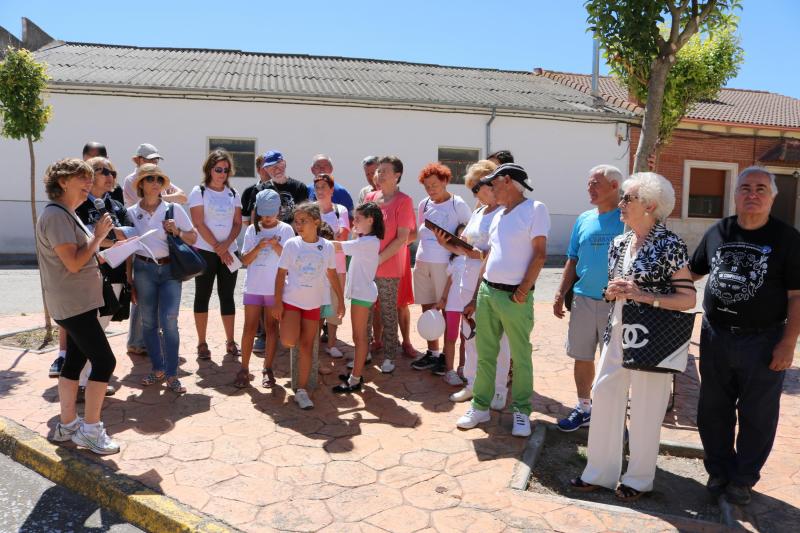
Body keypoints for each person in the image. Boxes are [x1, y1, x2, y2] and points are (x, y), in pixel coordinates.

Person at [570, 172, 696, 502]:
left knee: (645, 408)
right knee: (605, 395)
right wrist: (611, 292)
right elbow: (615, 290)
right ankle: (598, 472)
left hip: (653, 338)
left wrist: (644, 295)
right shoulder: (619, 243)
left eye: (629, 198)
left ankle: (638, 480)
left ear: (651, 206)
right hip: (617, 332)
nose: (622, 204)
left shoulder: (671, 245)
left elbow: (688, 298)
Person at [690, 166, 800, 505]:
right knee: (713, 408)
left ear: (772, 197)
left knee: (758, 414)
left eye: (761, 189)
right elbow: (691, 272)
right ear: (735, 193)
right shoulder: (718, 231)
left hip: (764, 340)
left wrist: (788, 343)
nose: (752, 194)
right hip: (716, 335)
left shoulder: (788, 239)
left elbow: (797, 296)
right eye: (746, 187)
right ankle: (719, 470)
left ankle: (743, 478)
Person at [458, 163, 550, 437]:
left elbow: (540, 254)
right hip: (488, 292)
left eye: (493, 183)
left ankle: (521, 412)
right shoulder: (498, 215)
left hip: (515, 297)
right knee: (486, 355)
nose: (489, 189)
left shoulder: (535, 209)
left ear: (508, 181)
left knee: (520, 358)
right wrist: (477, 295)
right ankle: (480, 407)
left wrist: (522, 291)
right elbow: (490, 256)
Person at [38, 158, 119, 455]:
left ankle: (68, 423)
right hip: (74, 304)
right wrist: (97, 237)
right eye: (82, 179)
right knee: (104, 362)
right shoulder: (57, 216)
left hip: (76, 301)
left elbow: (78, 256)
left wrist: (98, 247)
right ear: (62, 182)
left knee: (73, 362)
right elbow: (72, 262)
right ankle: (91, 431)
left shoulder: (66, 213)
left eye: (89, 179)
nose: (89, 184)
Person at [553, 165, 625, 432]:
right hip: (583, 300)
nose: (589, 188)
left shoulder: (628, 217)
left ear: (615, 187)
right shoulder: (583, 219)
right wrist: (561, 292)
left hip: (617, 304)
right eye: (589, 183)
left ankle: (614, 416)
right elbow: (572, 258)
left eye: (596, 183)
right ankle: (584, 408)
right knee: (582, 356)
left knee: (615, 361)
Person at [434, 160, 511, 409]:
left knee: (497, 340)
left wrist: (478, 254)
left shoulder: (505, 212)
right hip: (466, 282)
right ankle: (472, 384)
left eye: (477, 188)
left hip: (489, 283)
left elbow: (496, 253)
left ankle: (499, 390)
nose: (475, 194)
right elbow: (464, 246)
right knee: (470, 337)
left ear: (491, 183)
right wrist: (445, 242)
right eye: (473, 190)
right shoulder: (478, 212)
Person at [127, 163, 197, 394]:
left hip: (169, 271)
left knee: (169, 320)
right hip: (143, 269)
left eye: (159, 179)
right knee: (148, 322)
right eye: (150, 179)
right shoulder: (130, 213)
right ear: (141, 184)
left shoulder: (173, 209)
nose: (155, 183)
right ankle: (157, 368)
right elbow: (127, 248)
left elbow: (193, 237)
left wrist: (177, 231)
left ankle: (172, 373)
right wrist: (130, 278)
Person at [273, 202, 344, 409]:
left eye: (303, 221)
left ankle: (302, 391)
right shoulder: (292, 245)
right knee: (287, 340)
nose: (299, 226)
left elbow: (332, 274)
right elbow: (280, 274)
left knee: (307, 346)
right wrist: (277, 302)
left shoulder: (327, 246)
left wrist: (340, 301)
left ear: (316, 222)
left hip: (313, 305)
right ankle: (288, 329)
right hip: (292, 301)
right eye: (296, 222)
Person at [72, 157, 131, 400]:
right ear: (89, 175)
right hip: (90, 276)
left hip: (115, 275)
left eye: (113, 172)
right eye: (103, 171)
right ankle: (81, 382)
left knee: (101, 326)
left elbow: (125, 238)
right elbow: (85, 238)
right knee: (90, 330)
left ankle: (88, 380)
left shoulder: (116, 205)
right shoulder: (77, 205)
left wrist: (129, 275)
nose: (109, 176)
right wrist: (113, 241)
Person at [121, 143, 186, 359]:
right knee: (143, 305)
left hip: (163, 258)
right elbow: (141, 202)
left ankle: (148, 344)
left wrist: (160, 198)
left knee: (159, 310)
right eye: (149, 159)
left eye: (156, 160)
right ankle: (137, 342)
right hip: (141, 253)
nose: (153, 165)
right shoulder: (132, 180)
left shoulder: (156, 180)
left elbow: (183, 196)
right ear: (137, 160)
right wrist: (163, 197)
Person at [410, 163, 472, 374]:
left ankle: (446, 357)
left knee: (445, 309)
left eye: (435, 184)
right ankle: (432, 353)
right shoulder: (424, 204)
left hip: (445, 265)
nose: (431, 189)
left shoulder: (458, 204)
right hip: (421, 262)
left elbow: (468, 236)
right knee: (427, 308)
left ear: (445, 181)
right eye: (427, 186)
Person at [235, 189, 295, 388]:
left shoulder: (286, 230)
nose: (267, 217)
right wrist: (259, 247)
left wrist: (276, 246)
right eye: (264, 212)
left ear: (279, 210)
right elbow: (245, 259)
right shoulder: (253, 230)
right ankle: (244, 368)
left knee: (271, 327)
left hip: (274, 289)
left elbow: (290, 260)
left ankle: (268, 368)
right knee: (249, 328)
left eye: (271, 212)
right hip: (253, 287)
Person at [188, 149, 243, 360]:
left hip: (229, 252)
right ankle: (202, 343)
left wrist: (226, 245)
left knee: (227, 296)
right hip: (205, 252)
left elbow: (238, 223)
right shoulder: (198, 191)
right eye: (218, 169)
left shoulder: (233, 194)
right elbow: (198, 222)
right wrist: (217, 247)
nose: (222, 173)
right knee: (202, 296)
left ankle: (230, 340)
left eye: (226, 170)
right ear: (209, 169)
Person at [364, 156, 416, 373]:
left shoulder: (404, 201)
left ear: (397, 175)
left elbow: (402, 238)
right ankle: (363, 350)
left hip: (388, 266)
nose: (380, 174)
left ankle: (390, 356)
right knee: (365, 310)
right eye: (379, 170)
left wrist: (378, 259)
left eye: (385, 170)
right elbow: (361, 229)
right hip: (367, 266)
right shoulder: (370, 197)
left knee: (388, 311)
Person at [332, 202, 384, 393]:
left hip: (363, 295)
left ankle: (355, 379)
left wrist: (314, 240)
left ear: (370, 220)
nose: (355, 222)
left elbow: (338, 246)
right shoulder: (366, 240)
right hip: (363, 294)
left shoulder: (367, 243)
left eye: (358, 219)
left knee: (360, 338)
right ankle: (356, 373)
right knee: (359, 337)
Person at [313, 173, 350, 358]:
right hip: (316, 269)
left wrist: (322, 242)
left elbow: (342, 237)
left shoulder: (340, 210)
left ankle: (332, 343)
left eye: (324, 187)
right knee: (317, 305)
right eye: (317, 187)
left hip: (338, 267)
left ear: (331, 190)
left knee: (335, 305)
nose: (320, 191)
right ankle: (314, 343)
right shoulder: (311, 211)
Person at [262, 150, 309, 222]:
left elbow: (303, 216)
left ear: (284, 164)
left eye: (279, 165)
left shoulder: (300, 187)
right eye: (271, 167)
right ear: (266, 170)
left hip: (294, 232)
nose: (277, 170)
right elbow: (256, 218)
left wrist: (286, 231)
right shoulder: (261, 190)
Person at [241, 153, 270, 224]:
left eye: (271, 166)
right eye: (265, 167)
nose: (269, 170)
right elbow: (245, 220)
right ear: (258, 170)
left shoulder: (283, 189)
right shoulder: (248, 192)